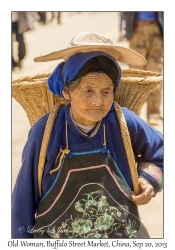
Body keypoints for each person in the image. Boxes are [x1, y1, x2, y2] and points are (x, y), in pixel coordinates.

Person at [12, 31, 163, 239]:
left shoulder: (123, 122)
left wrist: (150, 180)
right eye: (88, 90)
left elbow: (162, 153)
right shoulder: (45, 130)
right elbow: (23, 198)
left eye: (106, 91)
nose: (98, 102)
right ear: (66, 92)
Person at [122, 12, 163, 125]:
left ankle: (153, 112)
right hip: (137, 29)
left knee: (154, 73)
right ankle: (134, 113)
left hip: (156, 29)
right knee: (136, 75)